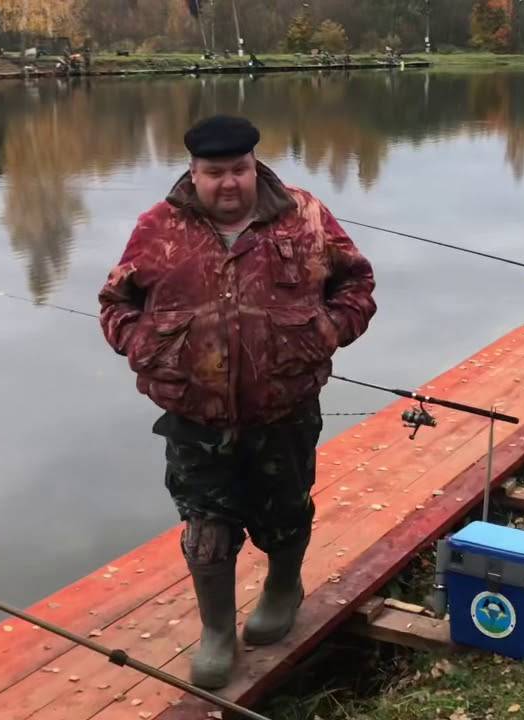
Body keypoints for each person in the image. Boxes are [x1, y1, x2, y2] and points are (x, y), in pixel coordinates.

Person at [98, 116, 376, 690]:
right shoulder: (159, 228)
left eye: (239, 170)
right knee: (206, 525)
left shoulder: (305, 217)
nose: (229, 184)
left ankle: (283, 585)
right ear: (193, 173)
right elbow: (115, 301)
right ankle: (217, 631)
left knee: (286, 510)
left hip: (286, 405)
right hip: (193, 413)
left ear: (256, 165)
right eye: (215, 173)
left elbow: (356, 285)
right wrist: (143, 345)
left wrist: (327, 330)